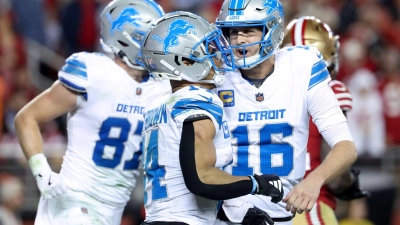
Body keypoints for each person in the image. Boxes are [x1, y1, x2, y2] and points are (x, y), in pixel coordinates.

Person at [14, 0, 168, 224]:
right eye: (150, 37)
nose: (157, 45)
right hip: (71, 204)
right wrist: (42, 172)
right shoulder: (94, 74)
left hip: (114, 209)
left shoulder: (159, 87)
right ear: (128, 37)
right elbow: (26, 118)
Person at [214, 0, 357, 224]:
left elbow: (346, 147)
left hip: (284, 213)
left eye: (249, 31)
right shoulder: (215, 76)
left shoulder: (302, 65)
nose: (239, 40)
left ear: (273, 30)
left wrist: (314, 180)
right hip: (226, 215)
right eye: (232, 32)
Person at [140, 11, 284, 225]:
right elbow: (201, 179)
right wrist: (258, 184)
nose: (217, 54)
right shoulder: (197, 101)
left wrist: (234, 211)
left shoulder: (159, 105)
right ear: (185, 61)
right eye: (207, 49)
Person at [281, 16, 369, 225]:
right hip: (308, 205)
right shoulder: (331, 90)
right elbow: (337, 177)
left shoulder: (263, 93)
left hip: (264, 205)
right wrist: (349, 182)